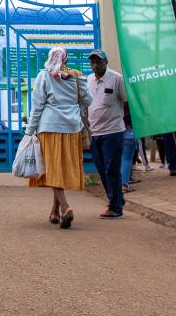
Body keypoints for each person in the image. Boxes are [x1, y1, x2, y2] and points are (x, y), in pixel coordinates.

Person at [24, 46, 88, 229]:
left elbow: (36, 106)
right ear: (66, 60)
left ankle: (66, 207)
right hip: (72, 128)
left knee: (52, 167)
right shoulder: (78, 76)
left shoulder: (44, 76)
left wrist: (29, 131)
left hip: (49, 128)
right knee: (61, 167)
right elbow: (89, 100)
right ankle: (54, 210)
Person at [87, 49, 128, 219]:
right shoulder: (89, 80)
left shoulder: (116, 79)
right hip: (94, 132)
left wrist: (122, 122)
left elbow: (126, 102)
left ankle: (115, 206)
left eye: (99, 62)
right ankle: (117, 199)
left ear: (106, 62)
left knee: (111, 168)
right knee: (102, 169)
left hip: (113, 132)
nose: (95, 65)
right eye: (93, 62)